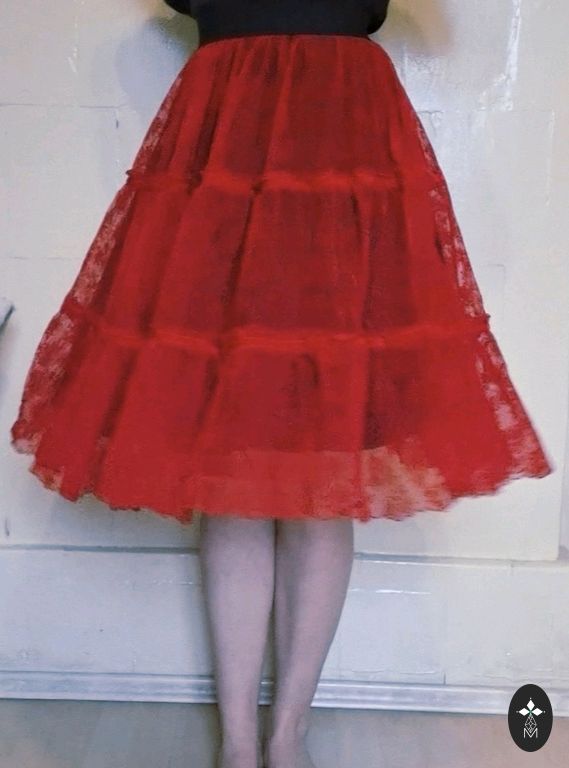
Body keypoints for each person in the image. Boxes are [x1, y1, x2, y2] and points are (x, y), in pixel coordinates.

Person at [9, 1, 554, 767]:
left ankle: (285, 732)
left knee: (325, 472)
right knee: (234, 474)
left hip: (343, 165)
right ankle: (240, 742)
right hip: (226, 166)